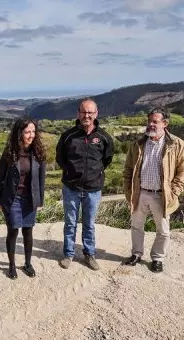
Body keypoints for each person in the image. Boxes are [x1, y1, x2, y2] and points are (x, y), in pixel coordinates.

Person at [122, 108, 184, 272]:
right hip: (140, 193)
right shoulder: (138, 144)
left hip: (161, 195)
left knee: (163, 231)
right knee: (136, 226)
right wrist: (128, 190)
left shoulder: (176, 144)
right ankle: (136, 254)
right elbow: (128, 169)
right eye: (149, 121)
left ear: (165, 123)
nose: (150, 124)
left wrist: (174, 191)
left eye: (155, 121)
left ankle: (157, 259)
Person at [56, 98, 114, 270]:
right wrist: (71, 172)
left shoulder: (104, 137)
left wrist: (94, 174)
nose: (86, 115)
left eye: (90, 112)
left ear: (96, 114)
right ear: (78, 114)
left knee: (89, 224)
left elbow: (107, 159)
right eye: (83, 112)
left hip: (93, 189)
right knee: (70, 223)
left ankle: (89, 254)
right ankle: (68, 254)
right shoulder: (68, 136)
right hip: (71, 187)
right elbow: (60, 159)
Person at [0, 118, 46, 279]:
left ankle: (28, 263)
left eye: (33, 131)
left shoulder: (38, 153)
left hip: (30, 199)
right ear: (19, 133)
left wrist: (40, 200)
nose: (31, 135)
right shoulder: (9, 153)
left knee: (28, 231)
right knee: (13, 230)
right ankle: (11, 266)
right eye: (27, 132)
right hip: (12, 198)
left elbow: (41, 180)